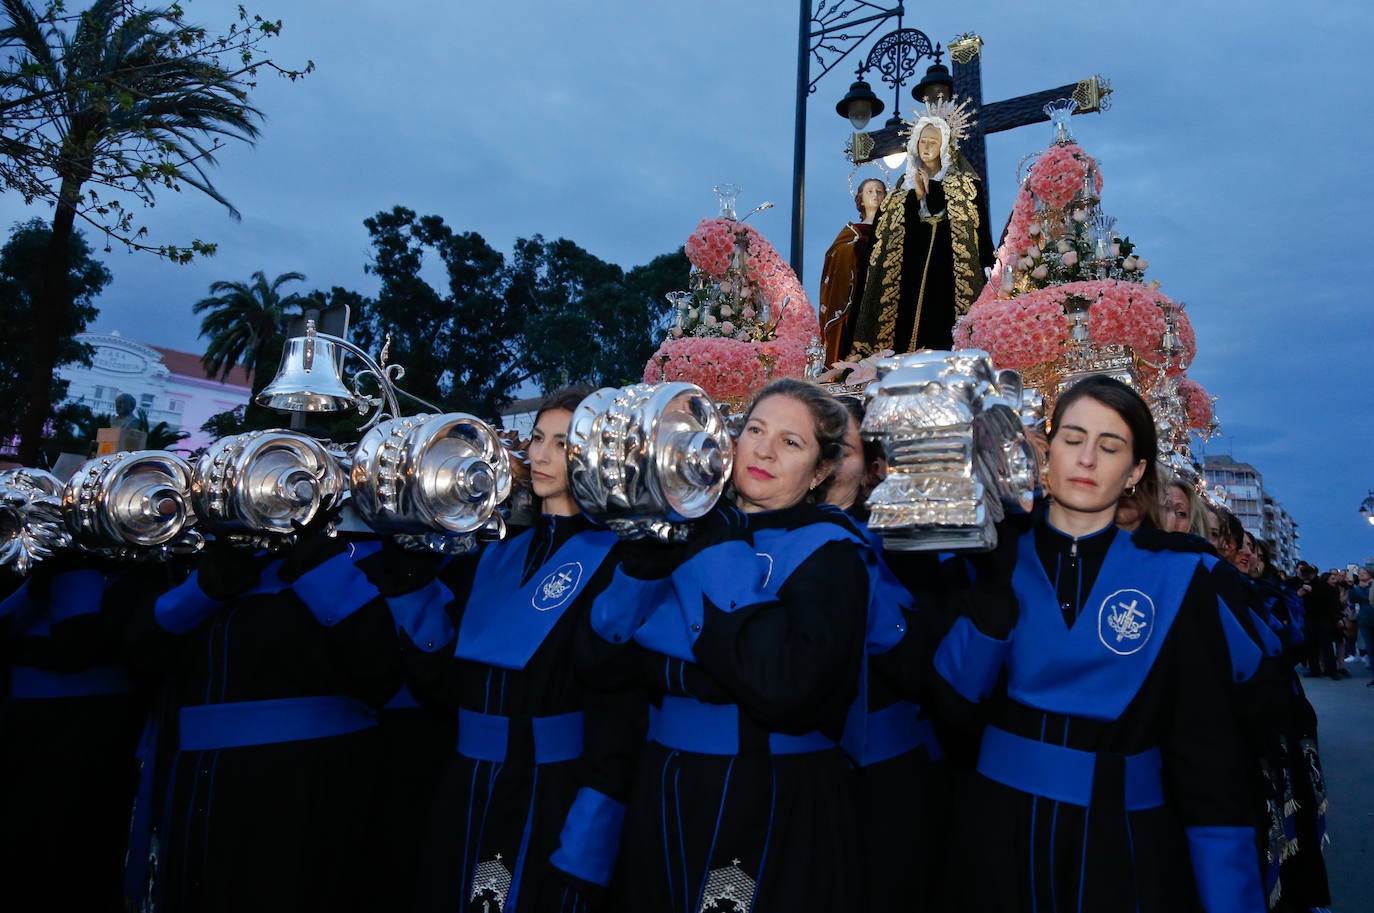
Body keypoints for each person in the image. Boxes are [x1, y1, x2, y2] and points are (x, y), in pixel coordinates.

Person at [932, 375, 1263, 913]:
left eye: (1109, 447)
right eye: (1072, 438)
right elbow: (951, 708)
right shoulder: (985, 554)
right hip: (994, 834)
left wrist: (1231, 895)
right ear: (1046, 449)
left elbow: (1208, 754)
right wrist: (994, 586)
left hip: (1123, 846)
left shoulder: (1179, 578)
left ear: (1134, 472)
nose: (1086, 459)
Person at [586, 378, 872, 912]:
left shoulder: (832, 552)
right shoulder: (675, 528)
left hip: (766, 794)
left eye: (791, 442)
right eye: (755, 430)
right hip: (664, 784)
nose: (763, 449)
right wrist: (643, 563)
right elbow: (601, 660)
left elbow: (784, 683)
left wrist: (717, 549)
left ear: (821, 470)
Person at [402, 387, 639, 913]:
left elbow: (619, 710)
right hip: (465, 783)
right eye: (536, 439)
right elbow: (441, 684)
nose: (541, 455)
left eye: (562, 441)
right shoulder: (493, 555)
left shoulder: (621, 559)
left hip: (551, 789)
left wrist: (593, 828)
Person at [849, 98, 994, 357]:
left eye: (933, 142)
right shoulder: (901, 189)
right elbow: (885, 233)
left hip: (946, 274)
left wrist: (932, 191)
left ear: (944, 146)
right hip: (908, 273)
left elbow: (977, 234)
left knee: (942, 334)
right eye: (922, 141)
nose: (926, 147)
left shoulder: (964, 187)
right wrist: (914, 195)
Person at [818, 178, 886, 365]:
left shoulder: (892, 232)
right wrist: (854, 248)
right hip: (857, 297)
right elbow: (834, 256)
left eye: (880, 191)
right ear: (861, 200)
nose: (876, 195)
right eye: (870, 192)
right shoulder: (852, 232)